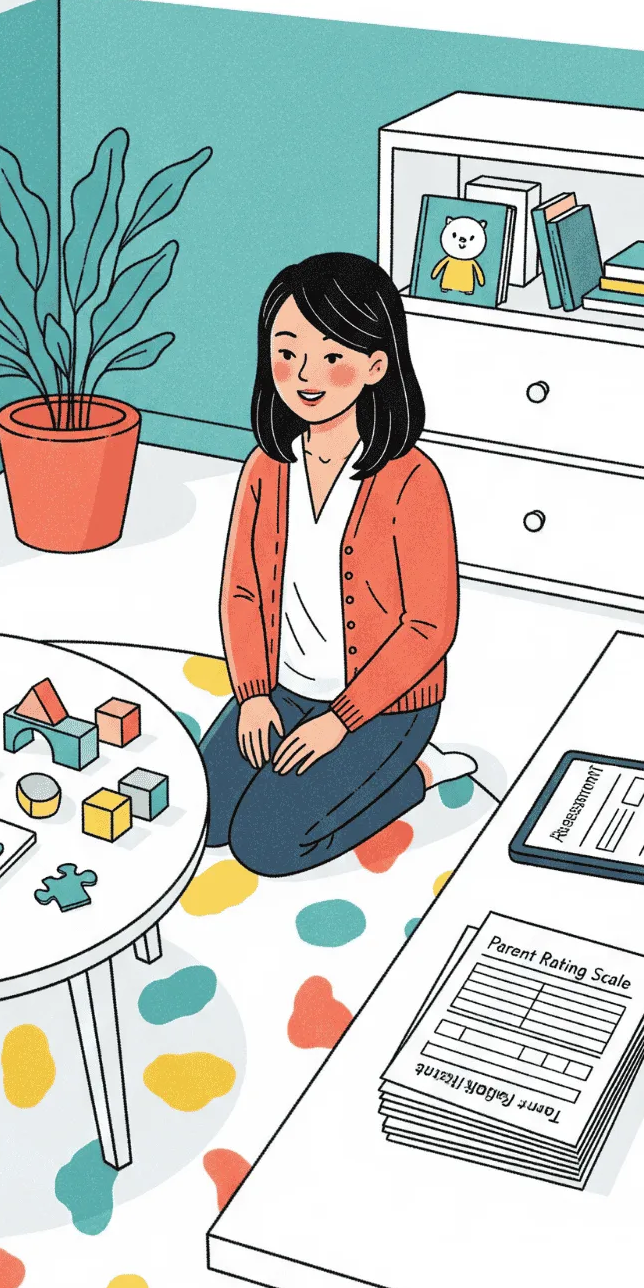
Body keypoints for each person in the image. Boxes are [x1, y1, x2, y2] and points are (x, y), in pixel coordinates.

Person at [201, 251, 459, 877]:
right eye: (287, 353)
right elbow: (241, 593)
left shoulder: (412, 480)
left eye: (331, 356)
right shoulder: (266, 466)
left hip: (383, 706)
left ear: (376, 365)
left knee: (264, 845)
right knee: (201, 816)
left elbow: (430, 626)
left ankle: (414, 778)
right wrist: (254, 696)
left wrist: (340, 723)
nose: (305, 375)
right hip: (282, 690)